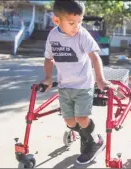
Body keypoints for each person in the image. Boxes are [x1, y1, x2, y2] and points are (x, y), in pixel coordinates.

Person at [40, 0, 111, 165]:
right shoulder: (52, 36)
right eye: (72, 23)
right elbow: (48, 59)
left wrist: (100, 80)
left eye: (79, 21)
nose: (76, 26)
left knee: (81, 118)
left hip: (83, 85)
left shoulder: (82, 35)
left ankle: (94, 142)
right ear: (57, 21)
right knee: (70, 121)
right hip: (65, 86)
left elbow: (94, 56)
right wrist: (48, 77)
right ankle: (87, 138)